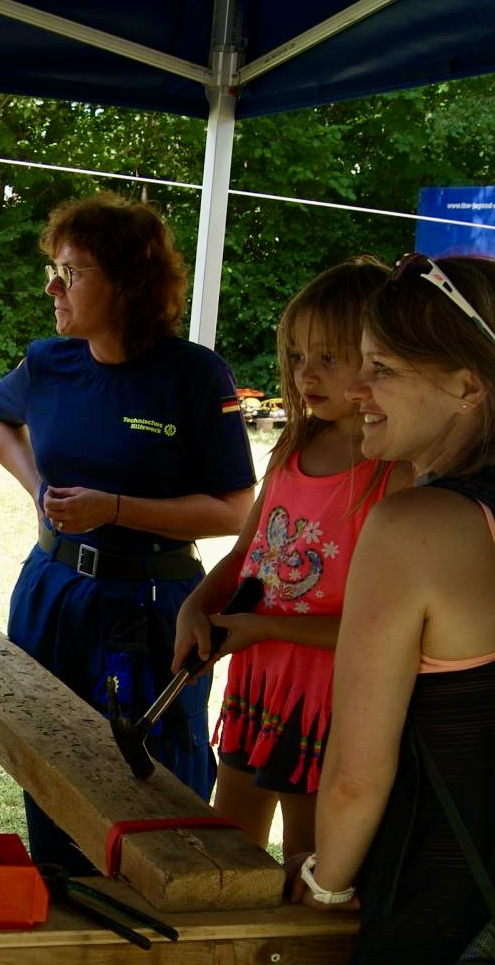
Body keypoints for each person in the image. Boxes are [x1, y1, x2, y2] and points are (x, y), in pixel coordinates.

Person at [0, 192, 257, 873]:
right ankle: (61, 903)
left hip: (151, 605)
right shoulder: (49, 362)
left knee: (152, 776)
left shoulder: (194, 375)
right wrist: (39, 489)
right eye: (53, 269)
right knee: (46, 755)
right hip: (51, 589)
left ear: (130, 284)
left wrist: (118, 509)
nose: (52, 287)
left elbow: (233, 510)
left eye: (71, 272)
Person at [292, 254, 495, 965]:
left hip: (435, 919)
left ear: (467, 386)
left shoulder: (415, 527)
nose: (356, 388)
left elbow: (355, 773)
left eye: (383, 368)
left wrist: (324, 884)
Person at [173, 258, 407, 858]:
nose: (307, 374)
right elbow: (248, 552)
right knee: (230, 844)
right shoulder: (294, 444)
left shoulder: (395, 474)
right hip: (258, 678)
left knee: (310, 853)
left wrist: (262, 627)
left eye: (328, 357)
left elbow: (378, 631)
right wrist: (196, 605)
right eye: (298, 356)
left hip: (329, 696)